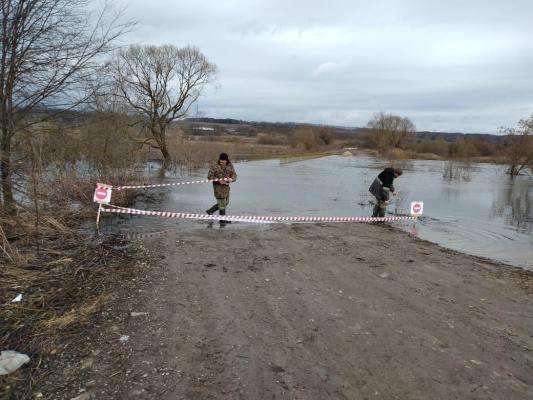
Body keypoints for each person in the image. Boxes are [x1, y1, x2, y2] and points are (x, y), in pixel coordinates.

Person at [206, 153, 237, 221]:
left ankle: (210, 211)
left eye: (223, 160)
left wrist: (231, 179)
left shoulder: (230, 166)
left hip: (226, 188)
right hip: (218, 188)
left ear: (226, 160)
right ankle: (222, 220)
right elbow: (209, 176)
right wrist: (218, 181)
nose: (221, 161)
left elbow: (234, 175)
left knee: (226, 203)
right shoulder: (215, 166)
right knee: (222, 204)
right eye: (220, 160)